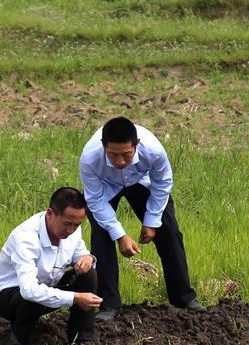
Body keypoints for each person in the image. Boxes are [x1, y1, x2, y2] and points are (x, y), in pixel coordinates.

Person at [79, 116, 206, 321]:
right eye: (113, 155)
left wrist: (151, 221)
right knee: (102, 236)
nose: (120, 161)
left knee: (169, 231)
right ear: (103, 146)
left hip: (140, 181)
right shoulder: (90, 157)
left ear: (136, 145)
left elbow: (163, 183)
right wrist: (120, 235)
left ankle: (183, 298)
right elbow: (94, 200)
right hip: (105, 188)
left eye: (127, 155)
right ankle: (108, 305)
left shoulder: (153, 150)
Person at [0, 187, 102, 345]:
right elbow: (29, 290)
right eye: (67, 224)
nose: (71, 230)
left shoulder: (72, 231)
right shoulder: (25, 238)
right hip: (10, 296)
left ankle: (82, 342)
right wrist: (76, 298)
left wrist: (87, 258)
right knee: (32, 298)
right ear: (50, 213)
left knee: (88, 275)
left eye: (77, 225)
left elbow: (79, 252)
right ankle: (18, 343)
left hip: (48, 286)